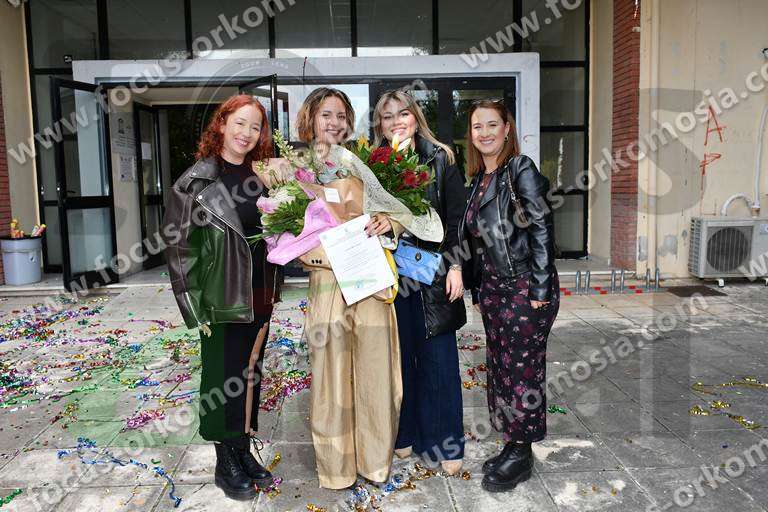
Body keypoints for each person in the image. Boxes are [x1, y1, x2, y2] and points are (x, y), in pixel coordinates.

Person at [163, 94, 282, 501]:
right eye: (239, 123)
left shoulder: (263, 175)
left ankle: (242, 448)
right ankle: (224, 460)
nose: (246, 133)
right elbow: (180, 249)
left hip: (260, 291)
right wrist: (194, 307)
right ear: (222, 124)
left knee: (250, 372)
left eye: (255, 126)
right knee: (222, 378)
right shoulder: (195, 182)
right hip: (219, 294)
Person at [292, 87, 403, 489]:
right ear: (311, 118)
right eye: (327, 115)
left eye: (342, 116)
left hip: (370, 281)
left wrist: (391, 223)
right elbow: (284, 232)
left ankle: (375, 463)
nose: (335, 123)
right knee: (331, 379)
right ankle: (336, 469)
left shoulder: (366, 162)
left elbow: (402, 207)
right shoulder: (295, 170)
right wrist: (325, 252)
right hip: (327, 285)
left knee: (376, 373)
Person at [459, 100, 560, 492]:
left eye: (491, 125)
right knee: (501, 368)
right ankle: (512, 444)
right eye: (477, 126)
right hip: (495, 290)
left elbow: (541, 228)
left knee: (523, 371)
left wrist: (540, 288)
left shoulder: (520, 169)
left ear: (506, 129)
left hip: (523, 288)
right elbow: (478, 245)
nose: (484, 133)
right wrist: (478, 288)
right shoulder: (479, 180)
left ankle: (521, 452)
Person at [372, 90, 467, 475]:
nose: (397, 121)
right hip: (391, 276)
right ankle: (406, 434)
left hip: (434, 275)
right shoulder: (373, 165)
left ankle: (447, 443)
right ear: (380, 125)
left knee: (439, 361)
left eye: (403, 113)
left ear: (416, 117)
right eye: (388, 116)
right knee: (401, 361)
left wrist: (456, 265)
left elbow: (458, 218)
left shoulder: (441, 159)